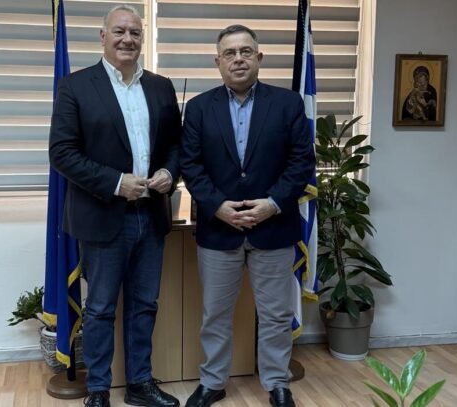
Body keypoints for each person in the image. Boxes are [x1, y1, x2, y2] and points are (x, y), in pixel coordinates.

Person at [48, 5, 181, 407]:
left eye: (135, 32)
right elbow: (62, 153)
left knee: (144, 306)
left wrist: (168, 172)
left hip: (151, 216)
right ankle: (99, 390)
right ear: (103, 36)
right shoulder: (75, 86)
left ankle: (140, 384)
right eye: (119, 31)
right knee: (101, 308)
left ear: (143, 39)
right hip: (103, 217)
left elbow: (176, 146)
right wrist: (116, 183)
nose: (128, 39)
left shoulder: (161, 87)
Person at [179, 25, 315, 407]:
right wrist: (217, 206)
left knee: (275, 315)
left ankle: (277, 383)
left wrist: (272, 203)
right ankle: (213, 382)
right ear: (217, 61)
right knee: (215, 315)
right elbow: (191, 165)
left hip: (274, 227)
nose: (238, 59)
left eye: (245, 51)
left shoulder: (288, 104)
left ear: (259, 57)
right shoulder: (199, 108)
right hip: (218, 230)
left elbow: (301, 163)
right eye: (229, 53)